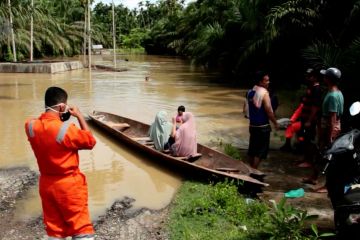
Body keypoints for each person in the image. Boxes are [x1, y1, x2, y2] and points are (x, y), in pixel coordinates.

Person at [25, 86, 96, 239]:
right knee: (81, 228)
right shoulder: (67, 129)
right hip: (69, 186)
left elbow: (38, 122)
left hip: (46, 186)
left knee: (55, 230)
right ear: (62, 106)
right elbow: (90, 141)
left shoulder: (30, 126)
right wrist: (79, 116)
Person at [302, 67, 344, 192]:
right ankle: (314, 177)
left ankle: (328, 185)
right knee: (319, 152)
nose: (323, 77)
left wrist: (329, 136)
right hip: (328, 125)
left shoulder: (332, 96)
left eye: (325, 76)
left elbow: (332, 118)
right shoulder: (337, 92)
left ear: (328, 79)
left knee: (328, 156)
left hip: (329, 127)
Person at [280, 68, 322, 155]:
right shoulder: (310, 88)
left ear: (315, 77)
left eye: (309, 76)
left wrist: (309, 120)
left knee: (307, 138)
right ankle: (290, 146)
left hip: (309, 120)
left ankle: (304, 154)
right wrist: (291, 120)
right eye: (307, 76)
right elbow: (300, 108)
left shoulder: (316, 89)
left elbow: (315, 107)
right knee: (294, 129)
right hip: (304, 119)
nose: (307, 78)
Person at [247, 71, 279, 169]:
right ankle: (254, 171)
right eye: (266, 81)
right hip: (263, 127)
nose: (268, 82)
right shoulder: (264, 94)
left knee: (252, 149)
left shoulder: (250, 92)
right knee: (261, 151)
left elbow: (246, 110)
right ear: (260, 82)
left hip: (252, 126)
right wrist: (275, 122)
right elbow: (269, 111)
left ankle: (250, 169)